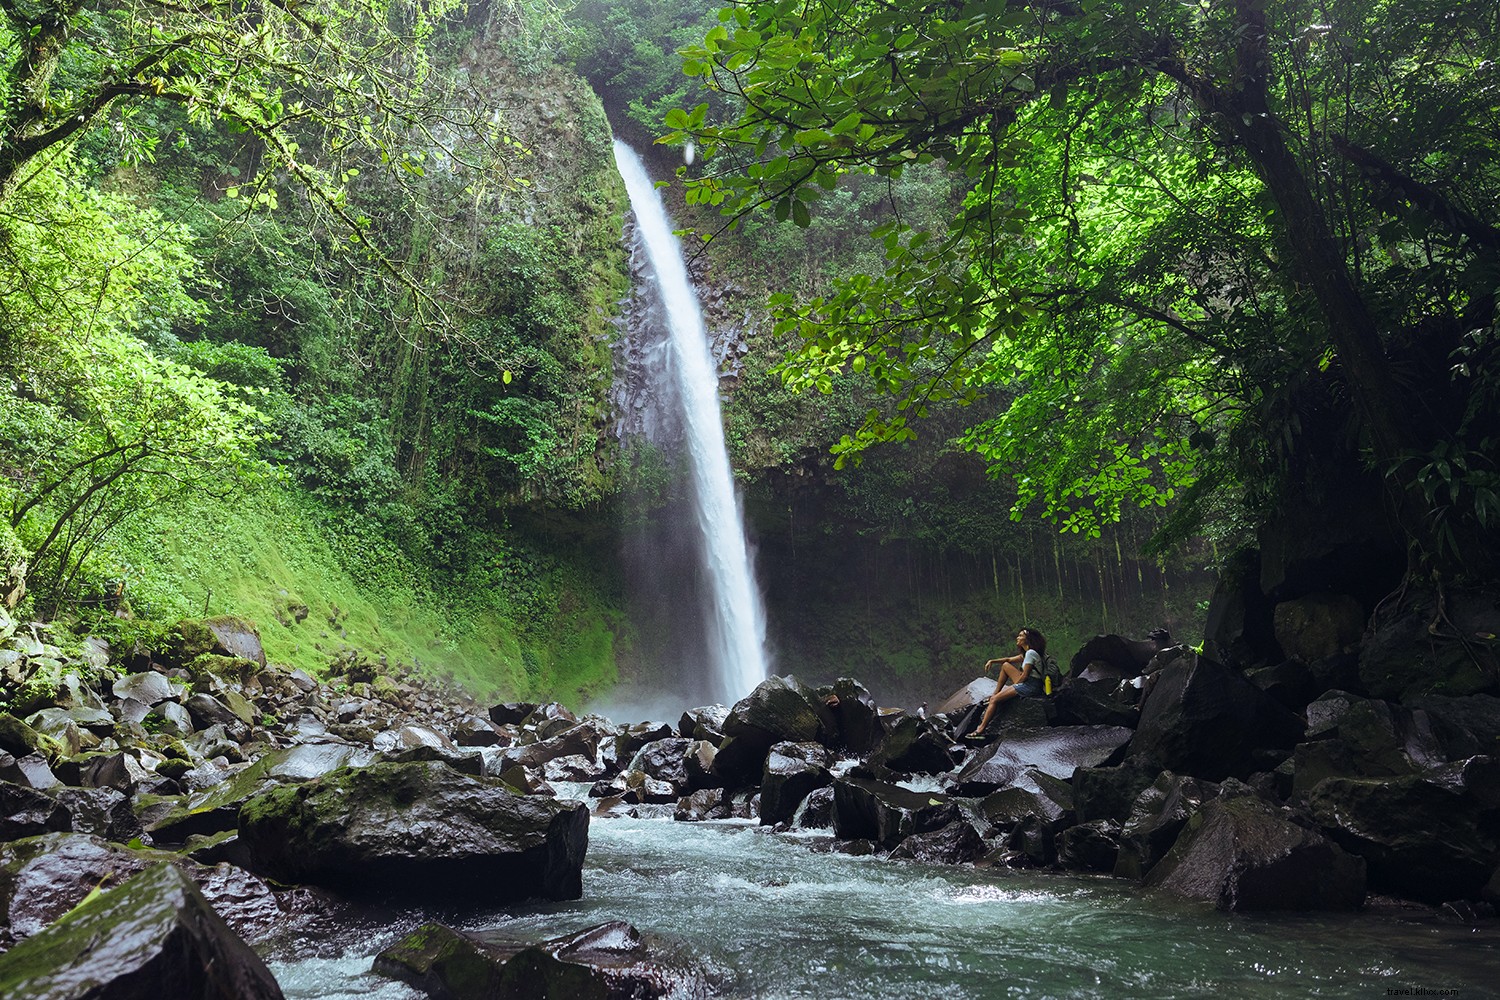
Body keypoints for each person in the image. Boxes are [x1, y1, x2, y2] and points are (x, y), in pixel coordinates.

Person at [971, 627, 1047, 738]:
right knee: (1006, 666)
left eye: (1021, 636)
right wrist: (992, 661)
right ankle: (995, 693)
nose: (1018, 637)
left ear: (1028, 639)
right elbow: (1009, 660)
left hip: (1031, 686)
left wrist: (1012, 687)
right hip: (1030, 683)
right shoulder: (1027, 653)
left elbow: (1025, 676)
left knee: (994, 700)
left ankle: (980, 729)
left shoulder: (1030, 653)